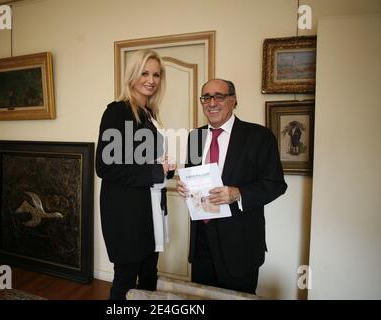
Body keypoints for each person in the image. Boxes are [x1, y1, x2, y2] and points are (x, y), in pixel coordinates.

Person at [176, 79, 287, 294]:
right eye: (206, 97)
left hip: (240, 245)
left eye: (219, 96)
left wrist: (238, 193)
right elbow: (193, 179)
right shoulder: (194, 137)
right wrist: (184, 187)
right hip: (201, 243)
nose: (211, 102)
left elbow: (276, 184)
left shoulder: (259, 136)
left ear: (233, 100)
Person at [96, 49, 175, 300]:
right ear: (132, 75)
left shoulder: (149, 114)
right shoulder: (117, 111)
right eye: (145, 73)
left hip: (150, 210)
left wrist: (166, 169)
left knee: (149, 275)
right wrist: (155, 170)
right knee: (126, 281)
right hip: (126, 214)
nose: (151, 80)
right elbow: (105, 166)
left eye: (156, 74)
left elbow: (143, 163)